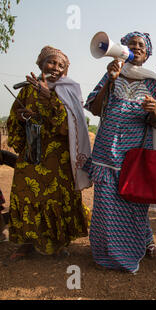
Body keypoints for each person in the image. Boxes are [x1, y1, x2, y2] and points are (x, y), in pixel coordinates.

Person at [84, 32, 156, 274]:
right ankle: (105, 253)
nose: (136, 47)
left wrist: (154, 111)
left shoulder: (154, 83)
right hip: (105, 152)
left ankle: (132, 250)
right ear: (122, 48)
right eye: (131, 43)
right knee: (105, 206)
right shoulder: (112, 73)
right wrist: (111, 80)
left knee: (133, 206)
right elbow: (94, 108)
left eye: (141, 44)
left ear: (148, 51)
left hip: (134, 157)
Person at [5, 46, 92, 261]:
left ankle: (59, 242)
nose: (56, 68)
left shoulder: (68, 91)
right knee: (25, 195)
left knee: (56, 198)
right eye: (51, 62)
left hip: (59, 159)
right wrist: (23, 118)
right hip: (32, 156)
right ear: (41, 64)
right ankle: (27, 242)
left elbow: (68, 127)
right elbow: (13, 121)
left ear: (66, 71)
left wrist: (49, 98)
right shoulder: (26, 90)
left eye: (61, 65)